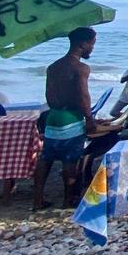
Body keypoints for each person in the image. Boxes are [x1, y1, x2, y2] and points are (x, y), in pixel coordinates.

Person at [34, 28, 99, 209]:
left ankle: (37, 201)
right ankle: (68, 201)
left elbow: (49, 95)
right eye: (92, 44)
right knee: (70, 160)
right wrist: (89, 119)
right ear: (82, 44)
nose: (92, 48)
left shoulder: (53, 67)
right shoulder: (81, 68)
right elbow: (83, 96)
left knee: (46, 158)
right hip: (71, 118)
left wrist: (58, 109)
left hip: (53, 117)